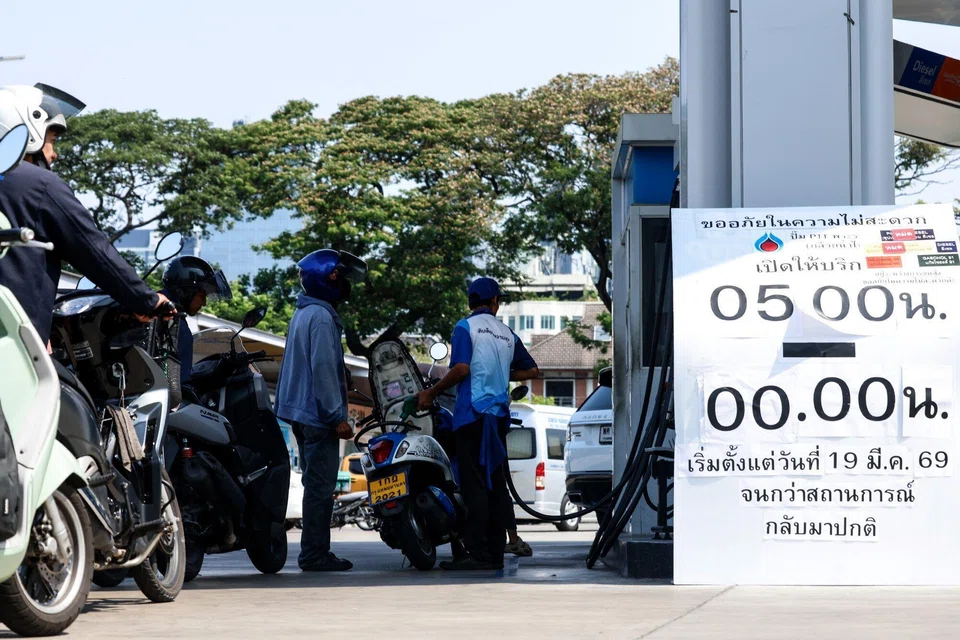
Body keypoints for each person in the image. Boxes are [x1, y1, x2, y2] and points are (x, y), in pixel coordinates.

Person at [0, 83, 170, 339]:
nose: (54, 154)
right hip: (12, 340)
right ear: (28, 129)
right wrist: (147, 300)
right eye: (52, 140)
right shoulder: (39, 185)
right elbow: (93, 251)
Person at [417, 277, 539, 570]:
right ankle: (494, 553)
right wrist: (499, 372)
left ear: (472, 302)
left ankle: (477, 552)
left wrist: (430, 393)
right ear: (494, 301)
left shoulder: (465, 327)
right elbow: (532, 369)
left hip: (471, 416)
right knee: (495, 484)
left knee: (473, 485)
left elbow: (461, 369)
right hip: (497, 419)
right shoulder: (507, 334)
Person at [274, 248, 367, 572]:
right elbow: (324, 369)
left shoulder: (304, 313)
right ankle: (314, 554)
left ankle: (314, 551)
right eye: (339, 278)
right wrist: (336, 417)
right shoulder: (323, 317)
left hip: (300, 413)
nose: (344, 285)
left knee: (316, 486)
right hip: (318, 416)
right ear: (328, 279)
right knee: (320, 489)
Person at [160, 256, 232, 397]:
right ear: (187, 291)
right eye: (202, 294)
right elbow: (180, 385)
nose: (204, 303)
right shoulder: (176, 324)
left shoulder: (152, 307)